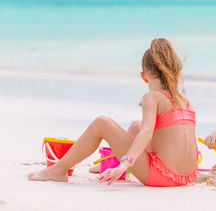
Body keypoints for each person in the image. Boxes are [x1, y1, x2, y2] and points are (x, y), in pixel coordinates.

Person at [28, 38, 198, 186]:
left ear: (143, 76)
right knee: (135, 126)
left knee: (101, 123)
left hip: (161, 176)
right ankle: (113, 164)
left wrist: (126, 163)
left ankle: (58, 170)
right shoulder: (185, 101)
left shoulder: (152, 97)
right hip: (186, 176)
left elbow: (147, 133)